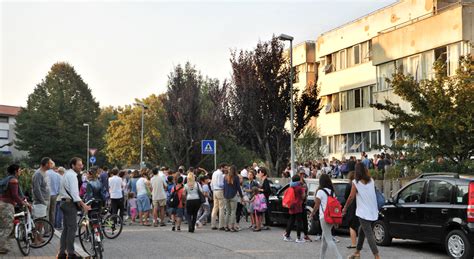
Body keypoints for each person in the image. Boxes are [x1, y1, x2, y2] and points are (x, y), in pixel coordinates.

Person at [343, 162, 381, 259]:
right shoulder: (371, 181)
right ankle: (357, 252)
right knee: (361, 231)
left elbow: (351, 197)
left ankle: (377, 256)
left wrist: (345, 208)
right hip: (373, 211)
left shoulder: (356, 183)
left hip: (363, 212)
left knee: (368, 234)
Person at [57, 158, 91, 259]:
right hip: (69, 204)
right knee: (72, 229)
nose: (81, 166)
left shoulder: (67, 174)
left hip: (64, 202)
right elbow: (75, 194)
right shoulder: (72, 176)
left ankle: (62, 253)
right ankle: (71, 254)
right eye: (79, 165)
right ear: (73, 165)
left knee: (66, 229)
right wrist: (84, 205)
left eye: (82, 164)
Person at [0, 164, 31, 254]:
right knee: (7, 226)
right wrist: (23, 203)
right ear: (15, 171)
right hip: (7, 205)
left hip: (2, 203)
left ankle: (3, 245)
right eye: (20, 170)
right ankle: (1, 247)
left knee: (3, 226)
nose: (21, 171)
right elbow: (15, 195)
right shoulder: (13, 180)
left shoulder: (6, 179)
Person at [311, 174, 342, 259]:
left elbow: (316, 205)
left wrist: (312, 213)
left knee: (329, 240)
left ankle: (339, 257)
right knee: (324, 240)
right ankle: (321, 257)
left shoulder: (320, 191)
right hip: (331, 217)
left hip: (324, 217)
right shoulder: (332, 192)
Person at [283, 174, 305, 242]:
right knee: (299, 221)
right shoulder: (300, 188)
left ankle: (287, 235)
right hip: (298, 205)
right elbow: (303, 196)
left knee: (291, 220)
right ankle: (298, 238)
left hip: (292, 205)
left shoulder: (291, 187)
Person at [223, 165, 244, 232]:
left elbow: (224, 187)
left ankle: (226, 226)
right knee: (233, 212)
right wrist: (241, 196)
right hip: (233, 196)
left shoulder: (225, 177)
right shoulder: (236, 177)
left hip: (226, 196)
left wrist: (224, 194)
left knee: (227, 212)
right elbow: (238, 187)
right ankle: (232, 227)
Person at [344, 171, 359, 249]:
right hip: (359, 206)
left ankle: (353, 243)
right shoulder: (360, 184)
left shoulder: (350, 185)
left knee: (352, 226)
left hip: (352, 206)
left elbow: (347, 196)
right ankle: (359, 243)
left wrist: (345, 207)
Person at [210, 163, 227, 230]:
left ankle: (213, 224)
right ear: (221, 167)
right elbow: (220, 184)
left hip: (214, 191)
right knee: (221, 208)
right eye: (225, 168)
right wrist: (225, 185)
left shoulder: (214, 173)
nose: (225, 169)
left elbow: (211, 184)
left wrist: (213, 189)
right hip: (220, 191)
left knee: (215, 208)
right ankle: (221, 225)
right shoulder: (220, 174)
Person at [47, 163, 61, 228]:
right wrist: (57, 192)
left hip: (46, 194)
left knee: (46, 212)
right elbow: (59, 186)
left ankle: (47, 229)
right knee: (52, 212)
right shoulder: (57, 175)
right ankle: (51, 227)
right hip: (54, 194)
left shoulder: (45, 173)